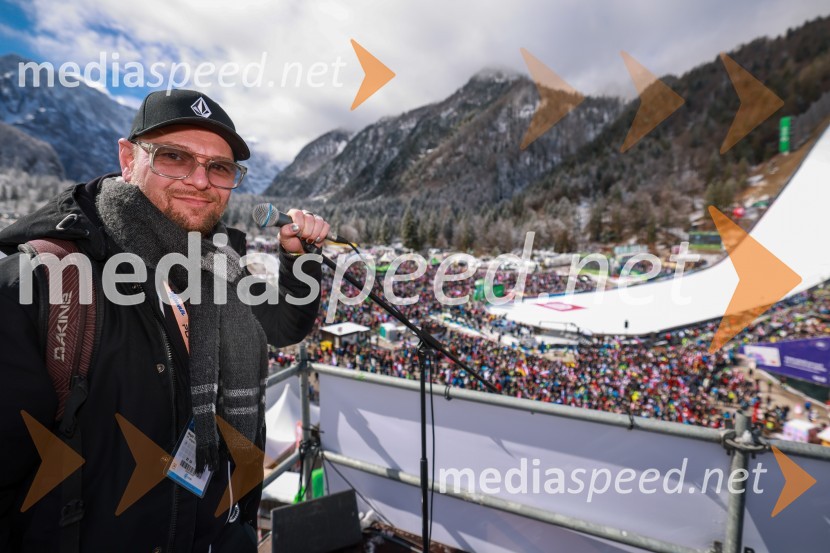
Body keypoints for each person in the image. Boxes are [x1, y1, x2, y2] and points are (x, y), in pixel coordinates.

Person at [0, 89, 328, 552]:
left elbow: (283, 326)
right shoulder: (44, 281)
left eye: (220, 167)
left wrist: (299, 261)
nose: (200, 180)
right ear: (127, 157)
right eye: (174, 157)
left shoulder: (217, 267)